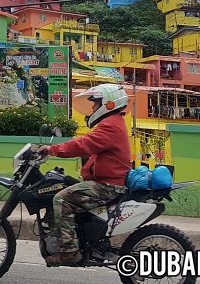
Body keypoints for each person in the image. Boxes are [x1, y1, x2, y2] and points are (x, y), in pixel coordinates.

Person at [36, 83, 131, 267]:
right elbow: (88, 146)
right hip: (105, 182)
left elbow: (84, 144)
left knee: (61, 200)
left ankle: (70, 252)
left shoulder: (110, 125)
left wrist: (53, 149)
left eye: (95, 103)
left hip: (107, 186)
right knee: (66, 186)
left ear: (109, 103)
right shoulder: (112, 123)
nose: (93, 107)